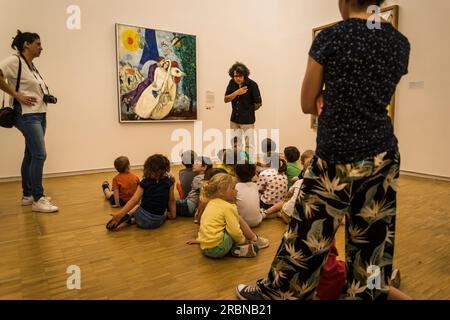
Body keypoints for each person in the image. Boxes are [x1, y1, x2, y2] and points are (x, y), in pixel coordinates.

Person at [236, 0, 411, 300]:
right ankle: (365, 295)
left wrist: (326, 93)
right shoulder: (399, 42)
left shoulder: (331, 37)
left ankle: (280, 294)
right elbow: (373, 90)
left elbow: (307, 104)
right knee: (372, 242)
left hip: (336, 155)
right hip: (383, 153)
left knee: (307, 237)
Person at [0, 30, 58, 212]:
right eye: (38, 44)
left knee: (31, 154)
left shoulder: (30, 65)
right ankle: (38, 199)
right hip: (27, 115)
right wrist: (17, 95)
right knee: (40, 154)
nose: (42, 48)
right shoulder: (14, 60)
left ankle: (28, 195)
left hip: (39, 113)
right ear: (26, 44)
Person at [188, 173, 260, 258]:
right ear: (222, 191)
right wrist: (243, 241)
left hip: (205, 247)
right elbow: (235, 231)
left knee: (220, 226)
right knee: (232, 227)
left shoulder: (211, 202)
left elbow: (206, 226)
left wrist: (200, 240)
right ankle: (239, 249)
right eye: (233, 188)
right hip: (218, 249)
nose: (236, 191)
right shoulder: (228, 207)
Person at [106, 154, 176, 231]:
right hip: (158, 221)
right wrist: (173, 215)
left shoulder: (144, 182)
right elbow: (171, 200)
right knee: (164, 209)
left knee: (139, 204)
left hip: (140, 218)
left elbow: (134, 200)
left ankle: (129, 215)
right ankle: (133, 221)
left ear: (147, 168)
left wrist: (119, 214)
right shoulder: (169, 183)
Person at [224, 62, 262, 158]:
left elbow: (259, 103)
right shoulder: (231, 82)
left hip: (248, 121)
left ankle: (249, 165)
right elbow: (226, 99)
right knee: (236, 144)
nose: (237, 78)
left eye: (240, 76)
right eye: (235, 76)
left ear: (245, 75)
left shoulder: (252, 85)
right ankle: (238, 164)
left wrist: (248, 111)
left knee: (249, 145)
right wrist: (237, 92)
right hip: (234, 120)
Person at [235, 162, 262, 227]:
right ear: (253, 174)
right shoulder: (255, 185)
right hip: (258, 221)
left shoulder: (236, 187)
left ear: (236, 175)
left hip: (242, 224)